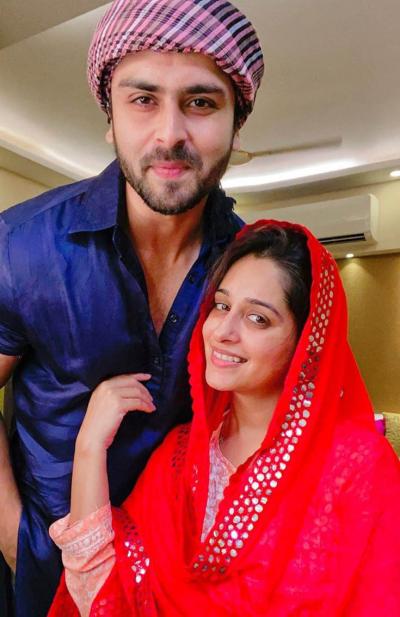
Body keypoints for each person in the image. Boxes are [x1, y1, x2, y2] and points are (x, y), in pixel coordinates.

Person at [0, 1, 264, 614]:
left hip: (184, 581)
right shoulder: (21, 245)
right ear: (110, 116)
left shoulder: (250, 265)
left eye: (201, 102)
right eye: (143, 99)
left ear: (236, 123)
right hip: (44, 572)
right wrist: (14, 536)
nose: (169, 134)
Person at [49, 221, 400, 616]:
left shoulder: (356, 468)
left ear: (305, 342)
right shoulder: (181, 459)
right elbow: (103, 592)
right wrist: (89, 447)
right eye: (221, 305)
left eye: (258, 318)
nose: (223, 332)